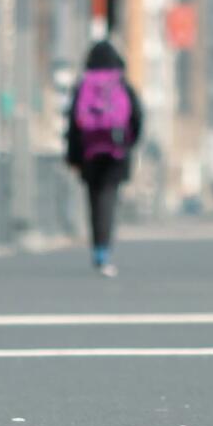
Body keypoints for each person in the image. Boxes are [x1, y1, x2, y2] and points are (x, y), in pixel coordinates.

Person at [65, 41, 144, 278]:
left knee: (93, 199)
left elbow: (72, 125)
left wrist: (73, 156)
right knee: (108, 199)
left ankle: (97, 247)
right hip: (115, 152)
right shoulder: (121, 84)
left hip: (89, 153)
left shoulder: (83, 86)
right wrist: (128, 144)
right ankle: (104, 249)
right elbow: (137, 117)